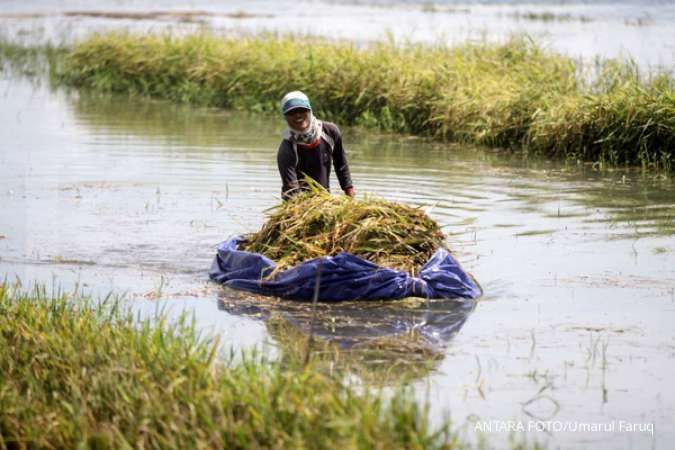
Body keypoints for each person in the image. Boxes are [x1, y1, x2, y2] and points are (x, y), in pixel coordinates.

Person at [277, 91, 355, 200]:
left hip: (324, 200)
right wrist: (303, 209)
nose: (298, 115)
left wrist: (350, 197)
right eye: (292, 112)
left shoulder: (330, 132)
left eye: (302, 110)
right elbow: (291, 189)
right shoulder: (287, 148)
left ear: (310, 111)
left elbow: (341, 164)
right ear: (286, 117)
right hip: (296, 203)